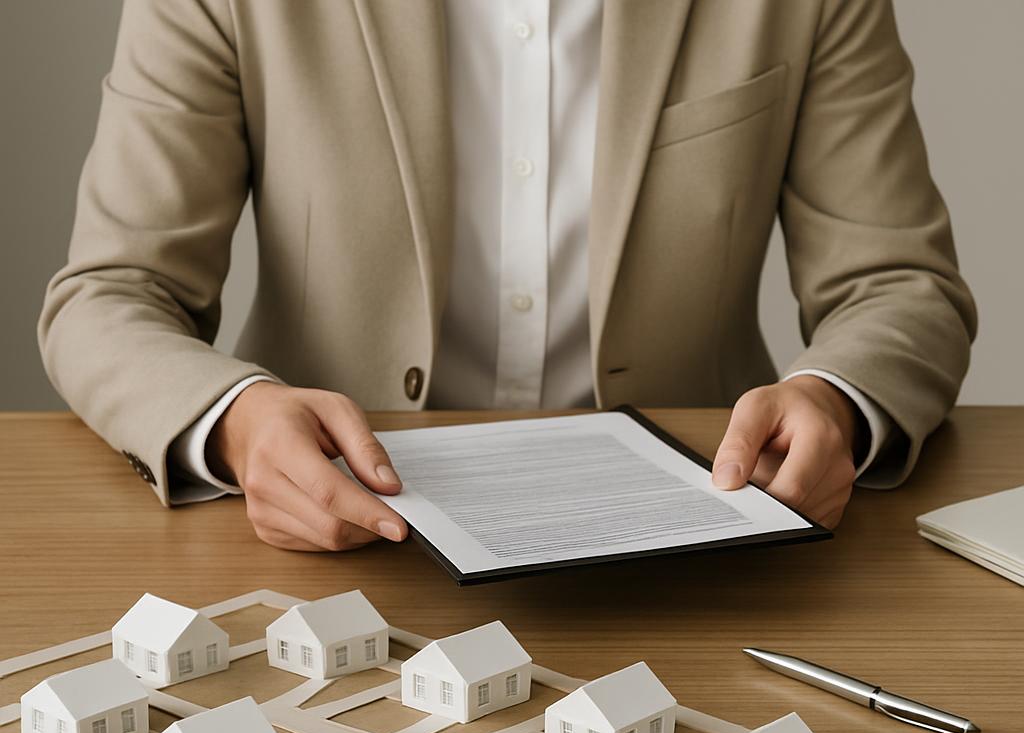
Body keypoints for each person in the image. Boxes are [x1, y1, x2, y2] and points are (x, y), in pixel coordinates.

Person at [39, 0, 975, 552]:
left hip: (703, 537)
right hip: (342, 544)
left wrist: (835, 400)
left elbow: (900, 283)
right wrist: (238, 422)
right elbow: (110, 292)